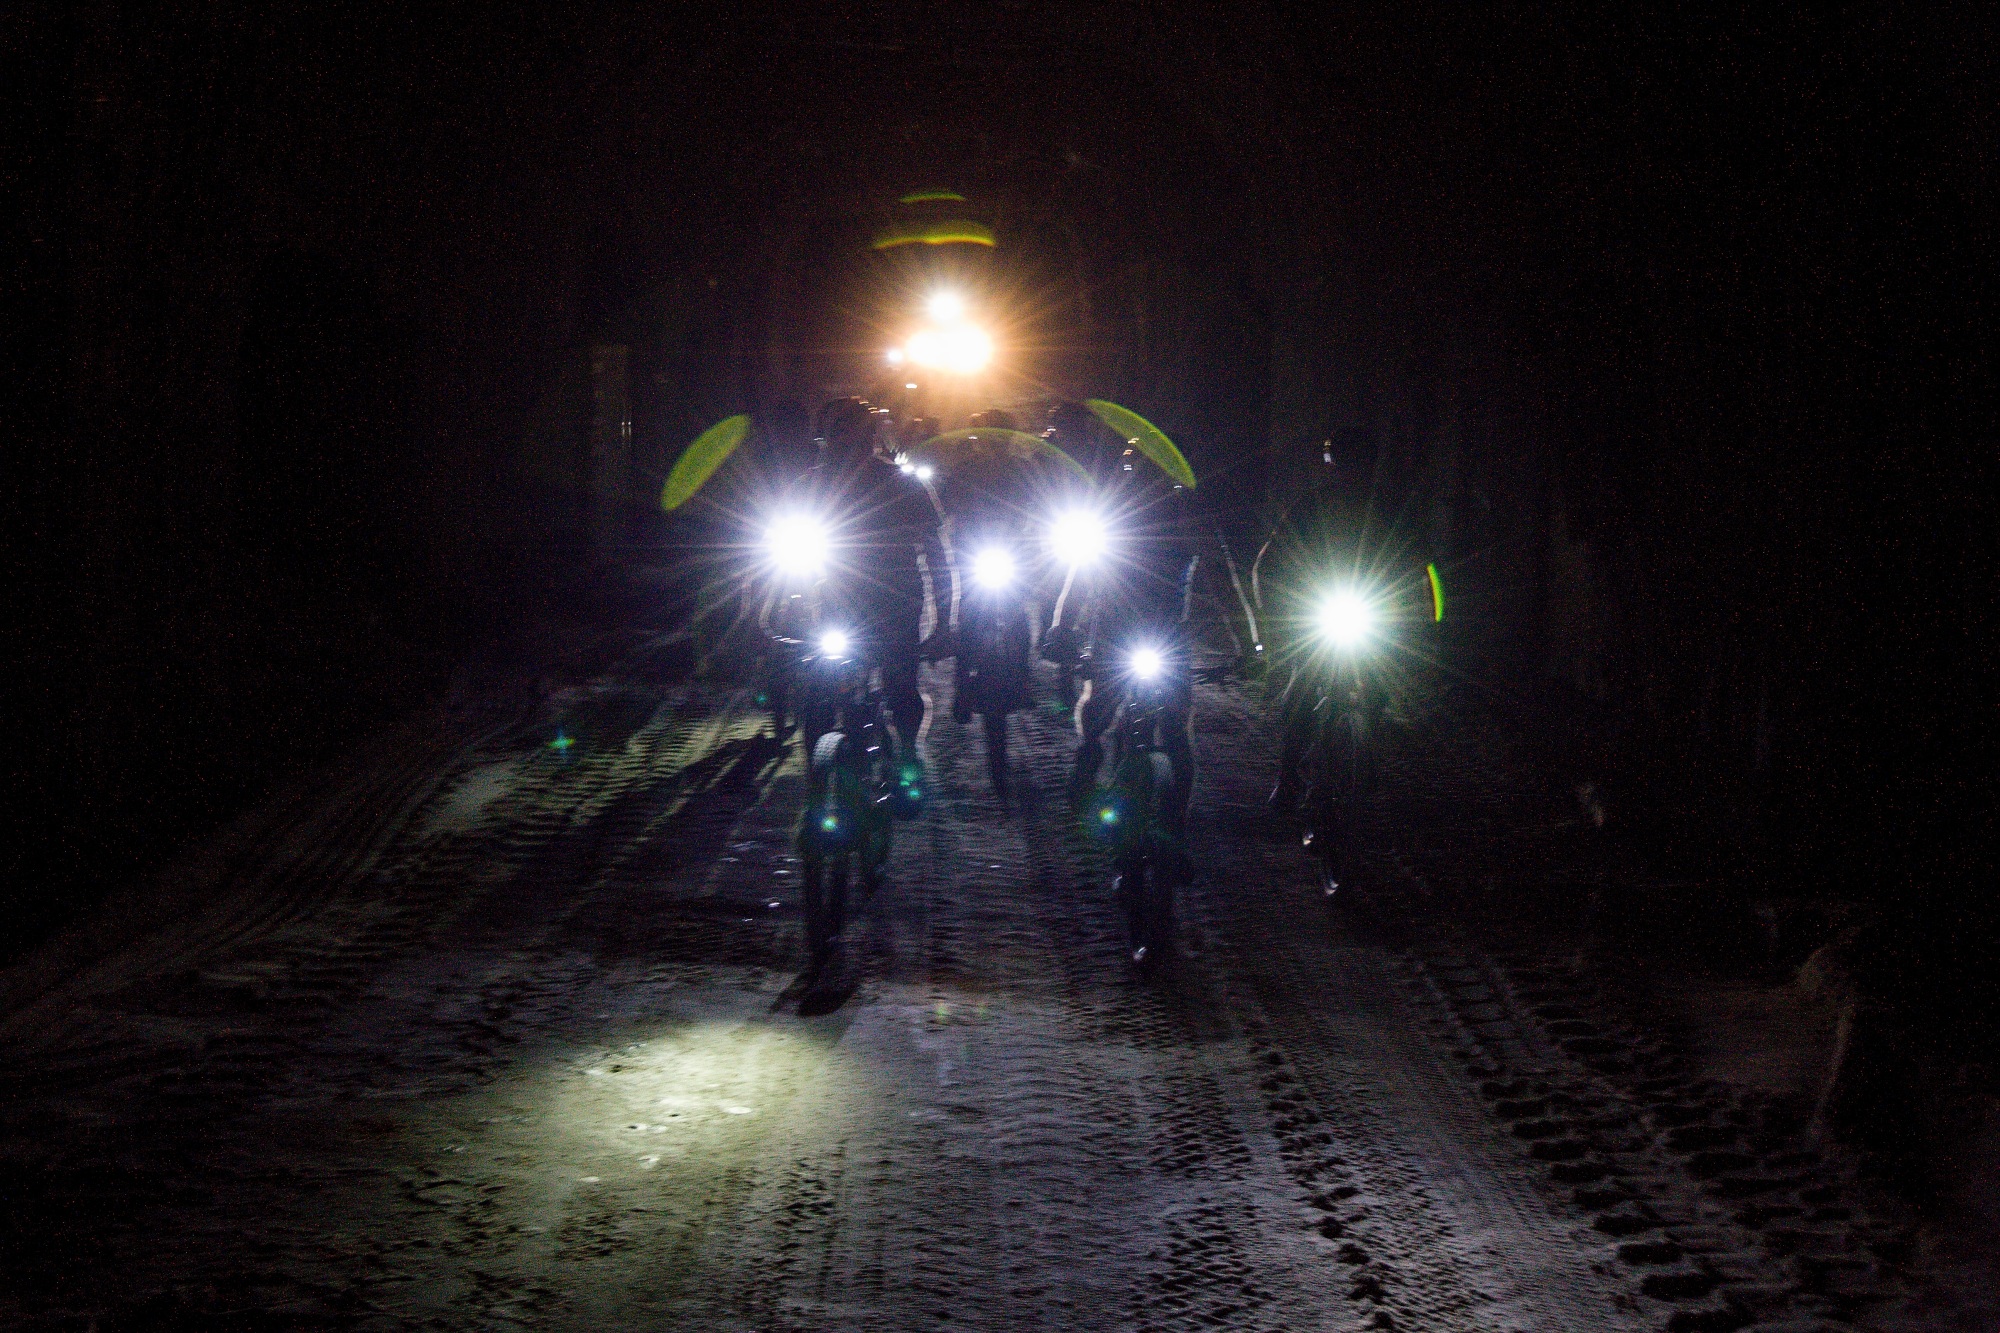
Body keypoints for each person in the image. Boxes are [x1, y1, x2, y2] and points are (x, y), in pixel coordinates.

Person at [1253, 430, 1427, 809]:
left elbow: (1418, 567)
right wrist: (1280, 619)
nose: (1351, 473)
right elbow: (1269, 565)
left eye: (1360, 465)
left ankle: (1367, 757)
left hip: (1372, 616)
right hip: (1321, 615)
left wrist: (1421, 619)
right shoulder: (1310, 508)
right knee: (1301, 693)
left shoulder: (1389, 511)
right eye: (1344, 464)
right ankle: (1288, 778)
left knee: (1379, 690)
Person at [800, 397, 952, 756]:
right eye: (839, 435)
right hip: (840, 602)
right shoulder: (808, 488)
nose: (844, 443)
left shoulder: (902, 484)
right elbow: (773, 556)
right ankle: (818, 782)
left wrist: (945, 623)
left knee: (900, 688)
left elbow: (936, 554)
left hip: (893, 603)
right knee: (821, 693)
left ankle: (908, 756)